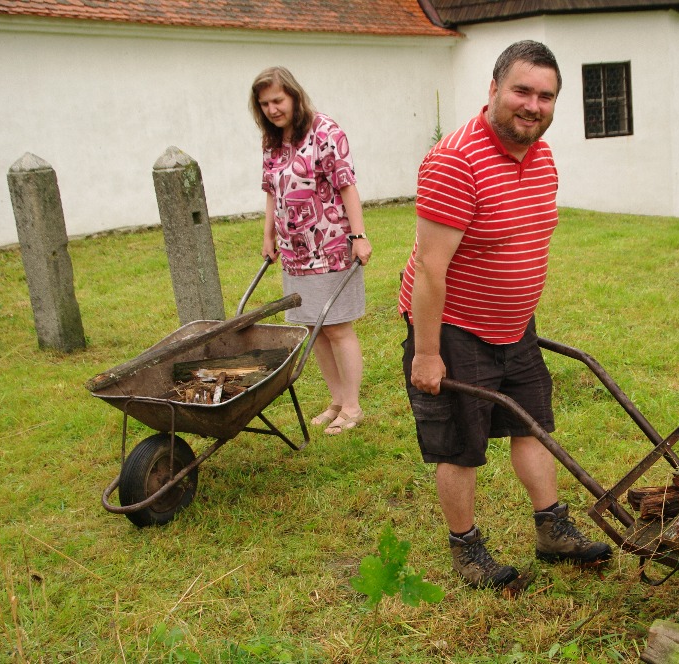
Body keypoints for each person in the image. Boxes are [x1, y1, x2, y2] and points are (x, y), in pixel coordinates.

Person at [398, 41, 612, 589]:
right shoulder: (455, 160)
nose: (533, 105)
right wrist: (426, 352)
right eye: (522, 90)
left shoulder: (541, 158)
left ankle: (552, 530)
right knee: (462, 446)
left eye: (546, 96)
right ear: (493, 89)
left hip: (514, 325)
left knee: (530, 426)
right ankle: (467, 551)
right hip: (453, 326)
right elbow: (429, 269)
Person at [250, 66, 371, 435]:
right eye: (264, 103)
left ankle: (352, 406)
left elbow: (347, 185)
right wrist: (268, 235)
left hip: (332, 245)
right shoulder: (272, 142)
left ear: (294, 96)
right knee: (313, 329)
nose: (272, 109)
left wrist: (359, 236)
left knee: (337, 328)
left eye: (278, 100)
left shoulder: (325, 131)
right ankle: (336, 400)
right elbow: (272, 192)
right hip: (294, 252)